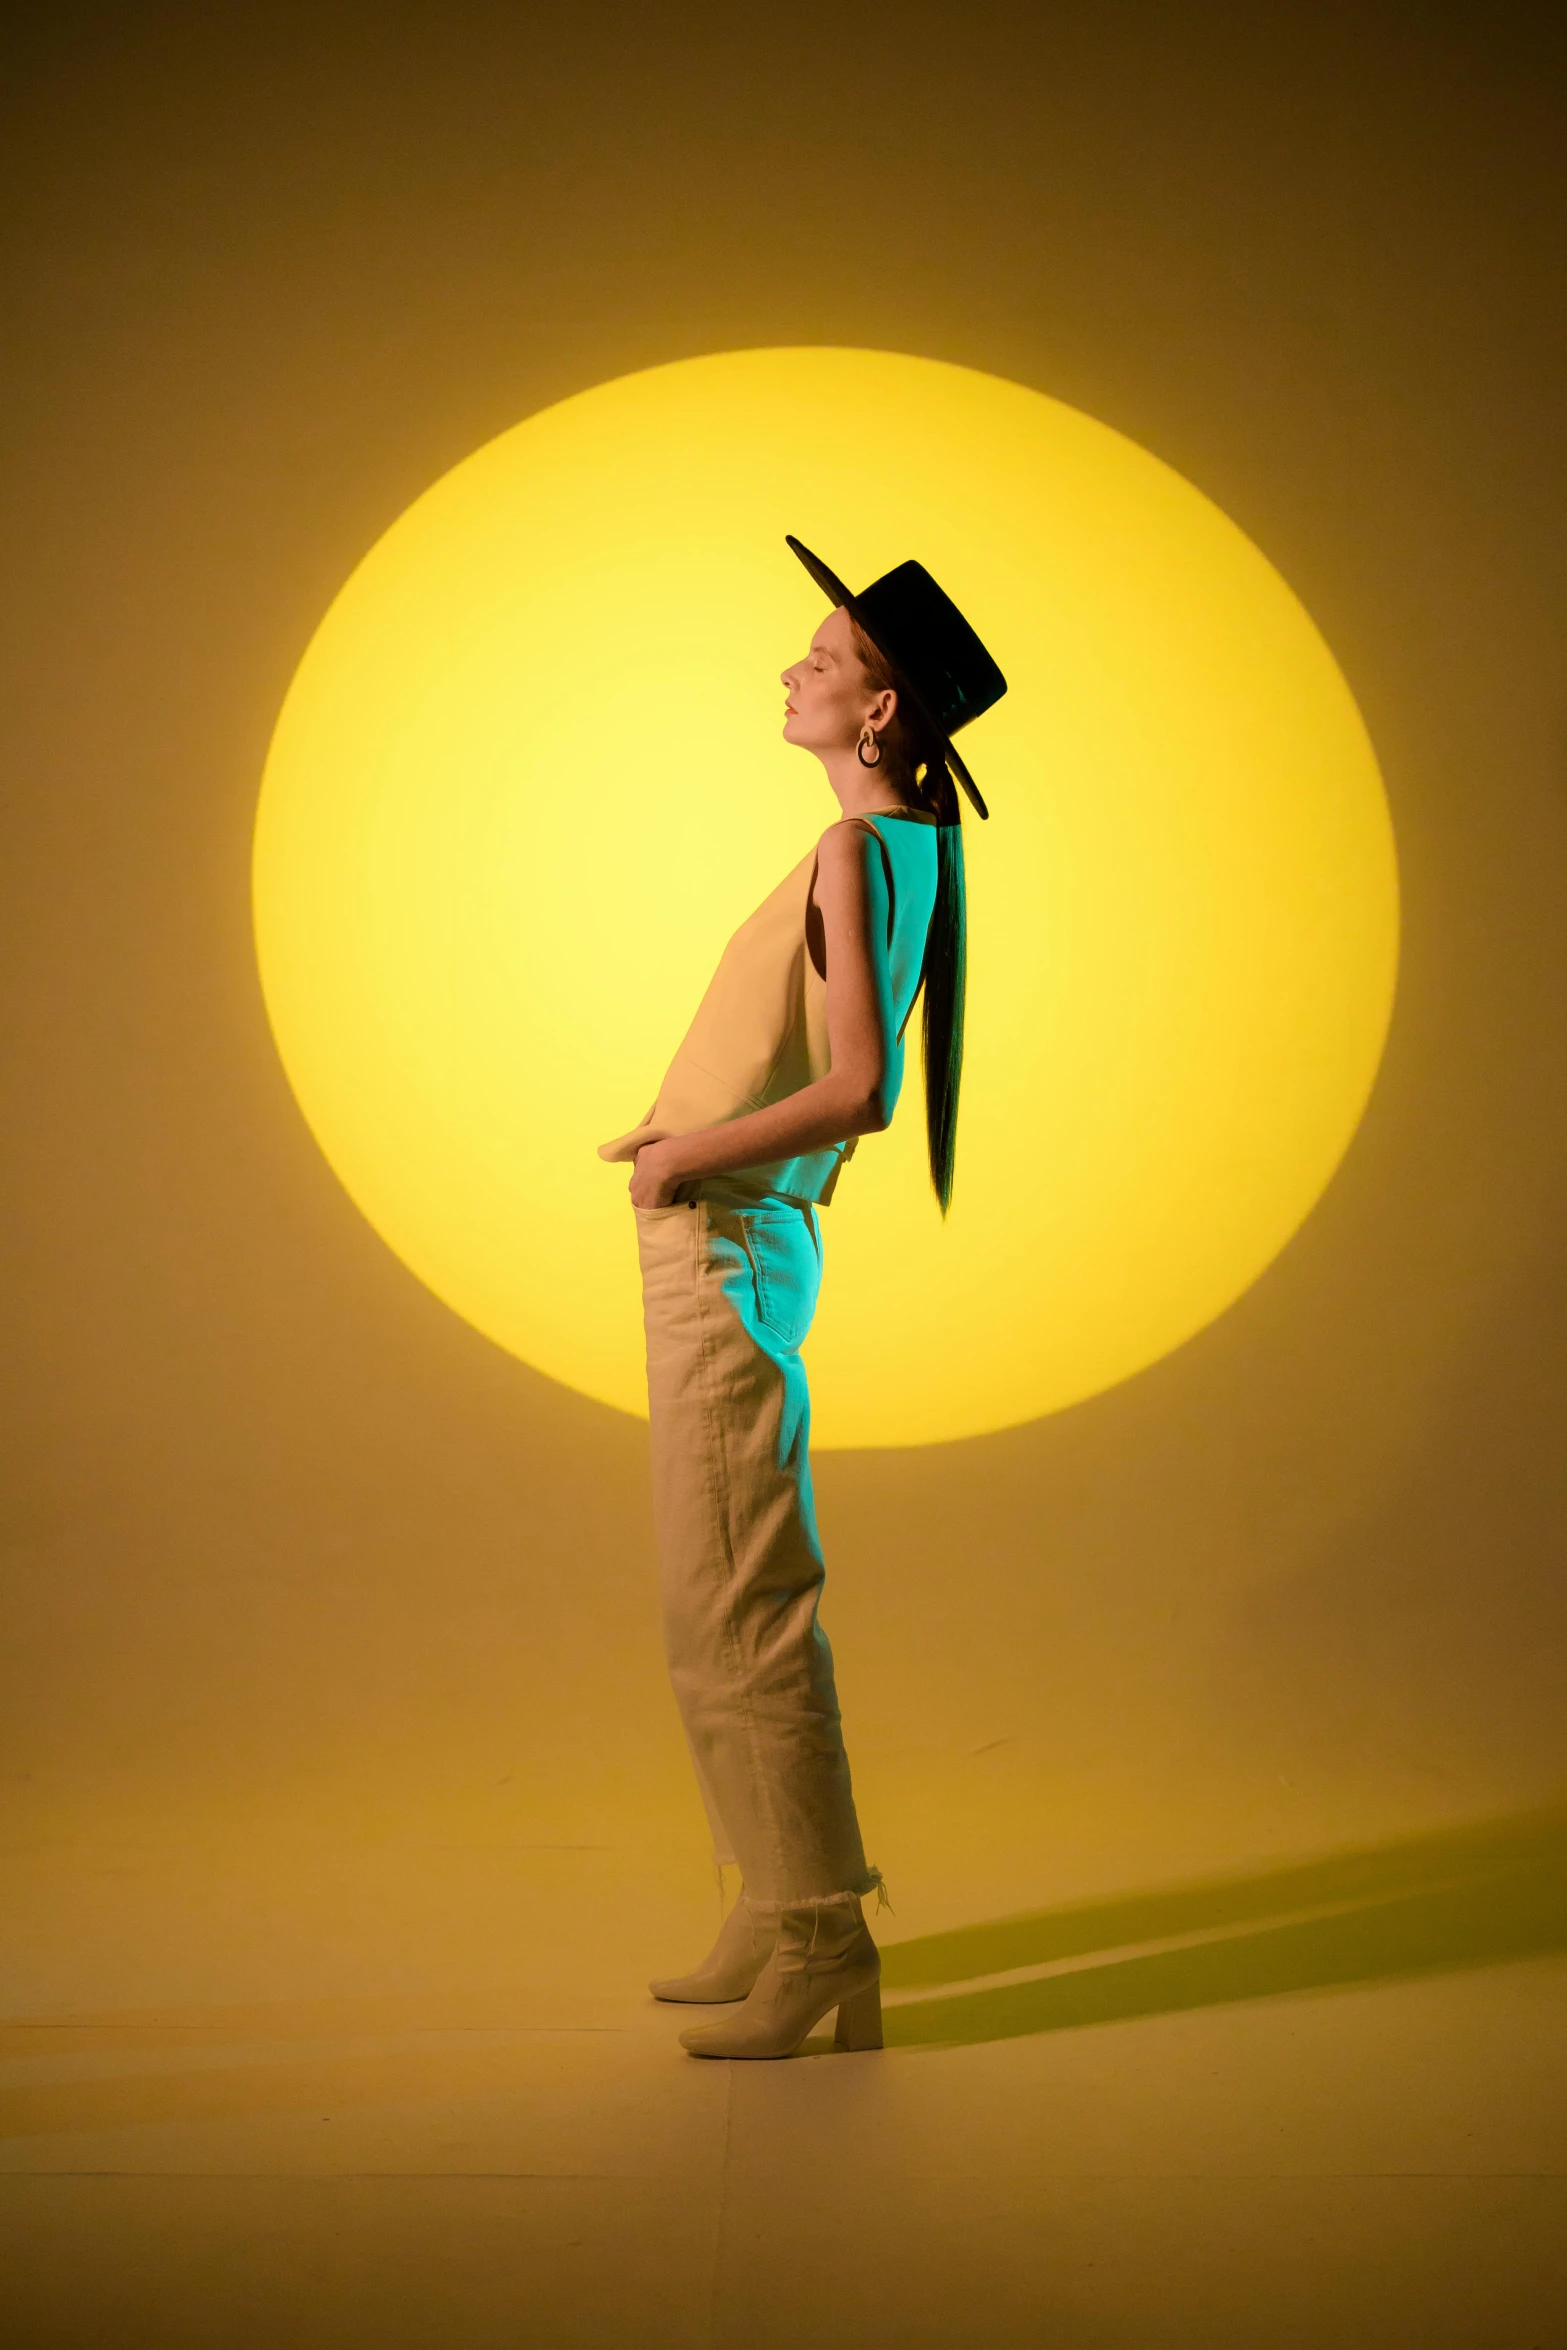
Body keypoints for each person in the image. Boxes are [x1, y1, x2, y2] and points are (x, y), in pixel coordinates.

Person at [598, 535, 1006, 2060]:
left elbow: (859, 1089)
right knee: (713, 1596)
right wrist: (681, 1135)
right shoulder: (906, 845)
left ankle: (822, 1937)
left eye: (822, 661)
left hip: (723, 1235)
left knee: (741, 1604)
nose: (792, 671)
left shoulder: (855, 846)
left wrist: (685, 1156)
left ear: (884, 713)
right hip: (726, 1223)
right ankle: (777, 1904)